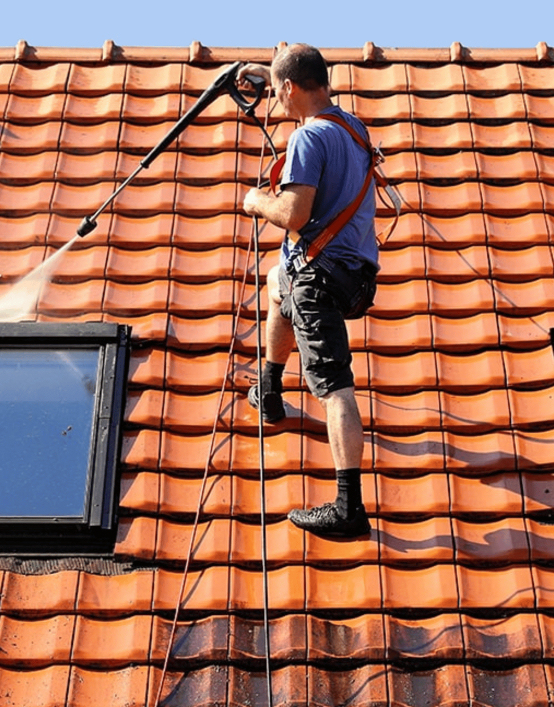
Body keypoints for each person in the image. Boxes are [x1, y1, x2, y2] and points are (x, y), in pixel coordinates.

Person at [238, 44, 379, 539]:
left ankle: (348, 507)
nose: (275, 99)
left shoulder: (307, 137)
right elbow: (297, 76)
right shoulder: (353, 128)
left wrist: (257, 201)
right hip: (356, 273)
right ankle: (270, 389)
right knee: (278, 281)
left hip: (321, 278)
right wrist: (267, 71)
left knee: (334, 388)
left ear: (289, 88)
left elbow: (293, 214)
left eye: (278, 90)